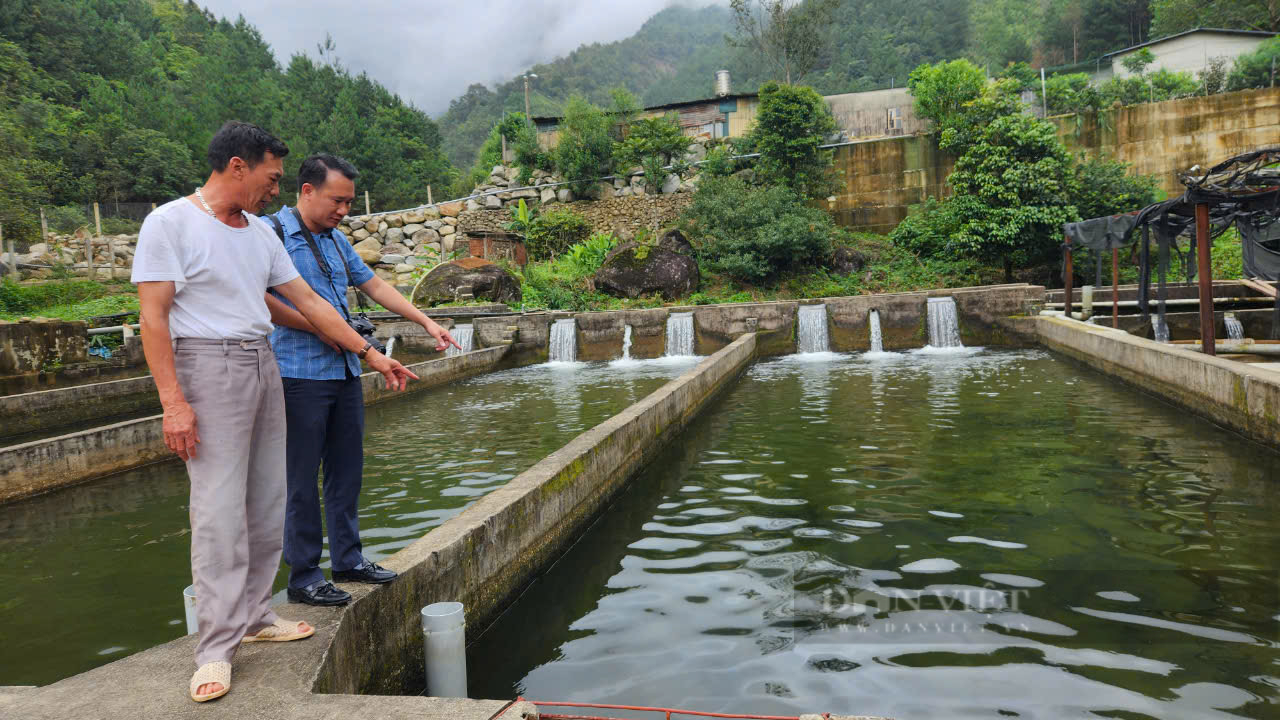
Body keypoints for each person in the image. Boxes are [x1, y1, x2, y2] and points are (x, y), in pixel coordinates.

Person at [132, 122, 418, 704]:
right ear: (238, 166)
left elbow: (308, 303)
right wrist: (173, 403)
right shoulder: (170, 223)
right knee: (217, 509)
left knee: (268, 499)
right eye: (271, 176)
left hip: (262, 363)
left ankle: (258, 614)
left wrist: (369, 356)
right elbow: (154, 318)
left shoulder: (259, 233)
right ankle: (215, 649)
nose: (274, 188)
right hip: (207, 366)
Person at [262, 154, 459, 606]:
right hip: (298, 373)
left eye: (349, 203)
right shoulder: (270, 234)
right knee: (300, 478)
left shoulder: (335, 239)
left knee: (347, 470)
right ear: (307, 190)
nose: (344, 211)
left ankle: (348, 559)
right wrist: (324, 329)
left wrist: (426, 322)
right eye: (337, 200)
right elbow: (263, 301)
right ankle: (305, 574)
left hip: (345, 369)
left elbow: (374, 286)